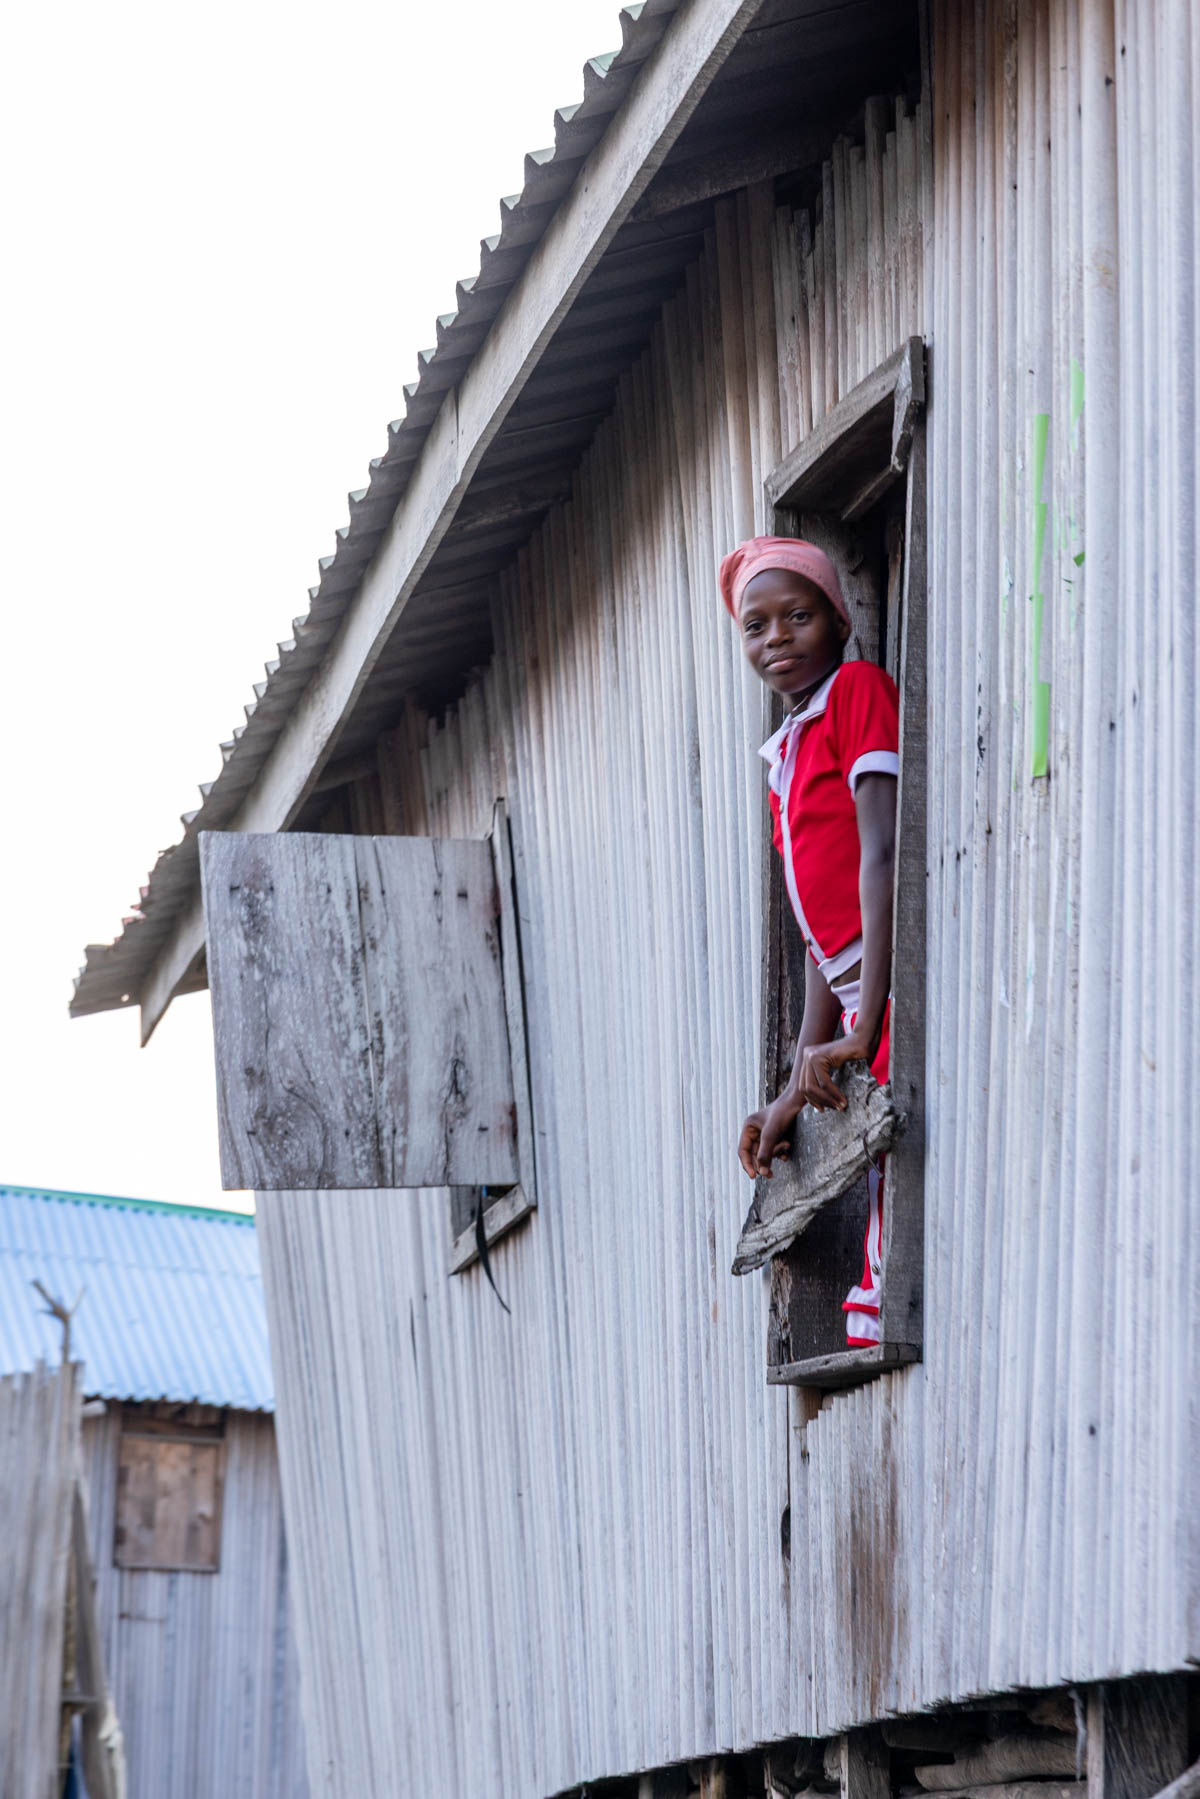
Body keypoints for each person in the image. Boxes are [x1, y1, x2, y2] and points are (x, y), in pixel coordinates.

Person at [722, 536, 899, 1346]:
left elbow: (883, 853)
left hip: (890, 978)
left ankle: (879, 1317)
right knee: (869, 1147)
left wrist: (868, 1023)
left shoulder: (857, 692)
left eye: (798, 616)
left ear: (840, 620)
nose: (777, 638)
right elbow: (813, 933)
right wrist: (794, 1084)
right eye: (756, 626)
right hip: (854, 986)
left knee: (895, 1149)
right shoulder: (785, 756)